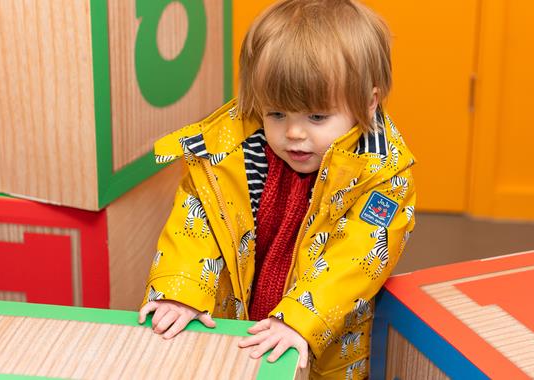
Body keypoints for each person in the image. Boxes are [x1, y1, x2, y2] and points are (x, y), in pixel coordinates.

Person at [138, 0, 416, 378]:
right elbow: (197, 225)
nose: (294, 133)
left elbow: (357, 256)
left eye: (317, 116)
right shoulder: (229, 154)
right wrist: (181, 291)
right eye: (277, 113)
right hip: (239, 333)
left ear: (369, 104)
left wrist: (300, 320)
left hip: (324, 348)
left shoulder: (380, 173)